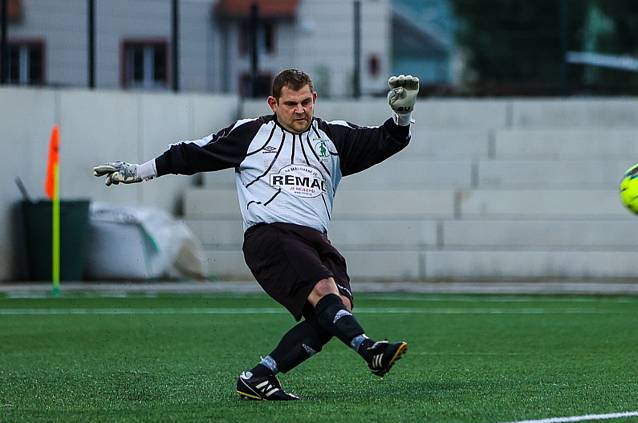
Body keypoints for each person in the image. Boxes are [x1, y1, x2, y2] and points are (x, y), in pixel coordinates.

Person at [93, 69, 420, 401]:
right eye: (291, 104)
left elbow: (386, 139)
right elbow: (191, 153)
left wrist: (402, 114)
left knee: (338, 310)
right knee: (324, 292)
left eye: (306, 102)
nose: (300, 110)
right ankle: (370, 351)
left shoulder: (334, 138)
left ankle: (259, 376)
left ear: (315, 100)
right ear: (273, 103)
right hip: (270, 237)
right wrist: (137, 171)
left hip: (317, 240)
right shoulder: (253, 134)